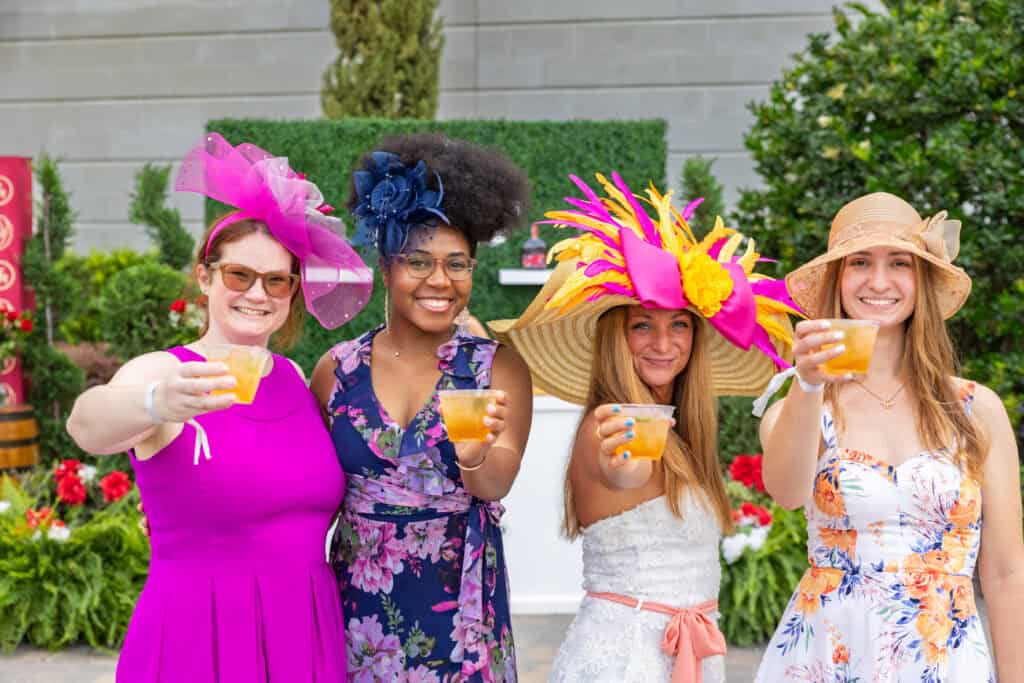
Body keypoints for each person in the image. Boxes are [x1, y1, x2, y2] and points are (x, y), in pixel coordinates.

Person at [67, 133, 372, 683]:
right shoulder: (167, 370)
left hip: (304, 632)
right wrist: (156, 402)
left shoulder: (295, 379)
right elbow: (87, 421)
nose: (257, 293)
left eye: (276, 281)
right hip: (197, 635)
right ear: (205, 278)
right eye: (239, 275)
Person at [489, 173, 801, 683]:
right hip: (624, 661)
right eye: (642, 325)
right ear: (617, 337)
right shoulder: (607, 425)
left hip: (690, 653)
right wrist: (625, 461)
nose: (664, 342)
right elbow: (626, 471)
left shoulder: (682, 434)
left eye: (679, 324)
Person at [754, 193, 1023, 682]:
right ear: (838, 279)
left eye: (899, 263)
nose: (878, 282)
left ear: (921, 281)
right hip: (827, 655)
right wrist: (809, 382)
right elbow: (787, 493)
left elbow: (1005, 572)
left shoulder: (976, 409)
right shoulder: (800, 404)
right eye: (860, 263)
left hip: (946, 659)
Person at [309, 133, 533, 681]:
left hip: (459, 610)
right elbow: (310, 491)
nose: (441, 280)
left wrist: (476, 453)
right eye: (419, 262)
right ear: (385, 268)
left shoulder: (495, 368)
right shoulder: (337, 370)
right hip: (355, 609)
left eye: (458, 265)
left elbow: (495, 483)